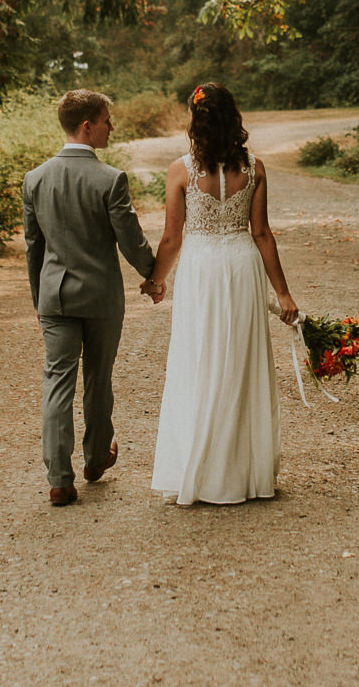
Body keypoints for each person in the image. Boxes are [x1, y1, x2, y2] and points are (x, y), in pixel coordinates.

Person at [142, 82, 300, 505]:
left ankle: (201, 468)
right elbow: (262, 234)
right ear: (235, 118)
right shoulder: (254, 166)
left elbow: (172, 239)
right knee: (241, 362)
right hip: (242, 266)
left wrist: (156, 280)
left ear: (196, 122)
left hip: (201, 270)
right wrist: (283, 294)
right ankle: (242, 473)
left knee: (200, 361)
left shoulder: (181, 171)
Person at [22, 88, 159, 508]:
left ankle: (59, 479)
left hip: (55, 299)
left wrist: (39, 299)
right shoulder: (109, 178)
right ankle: (97, 458)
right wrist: (153, 274)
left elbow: (34, 247)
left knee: (56, 382)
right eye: (105, 120)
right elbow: (130, 240)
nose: (110, 127)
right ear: (87, 125)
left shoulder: (35, 178)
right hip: (100, 297)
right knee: (99, 378)